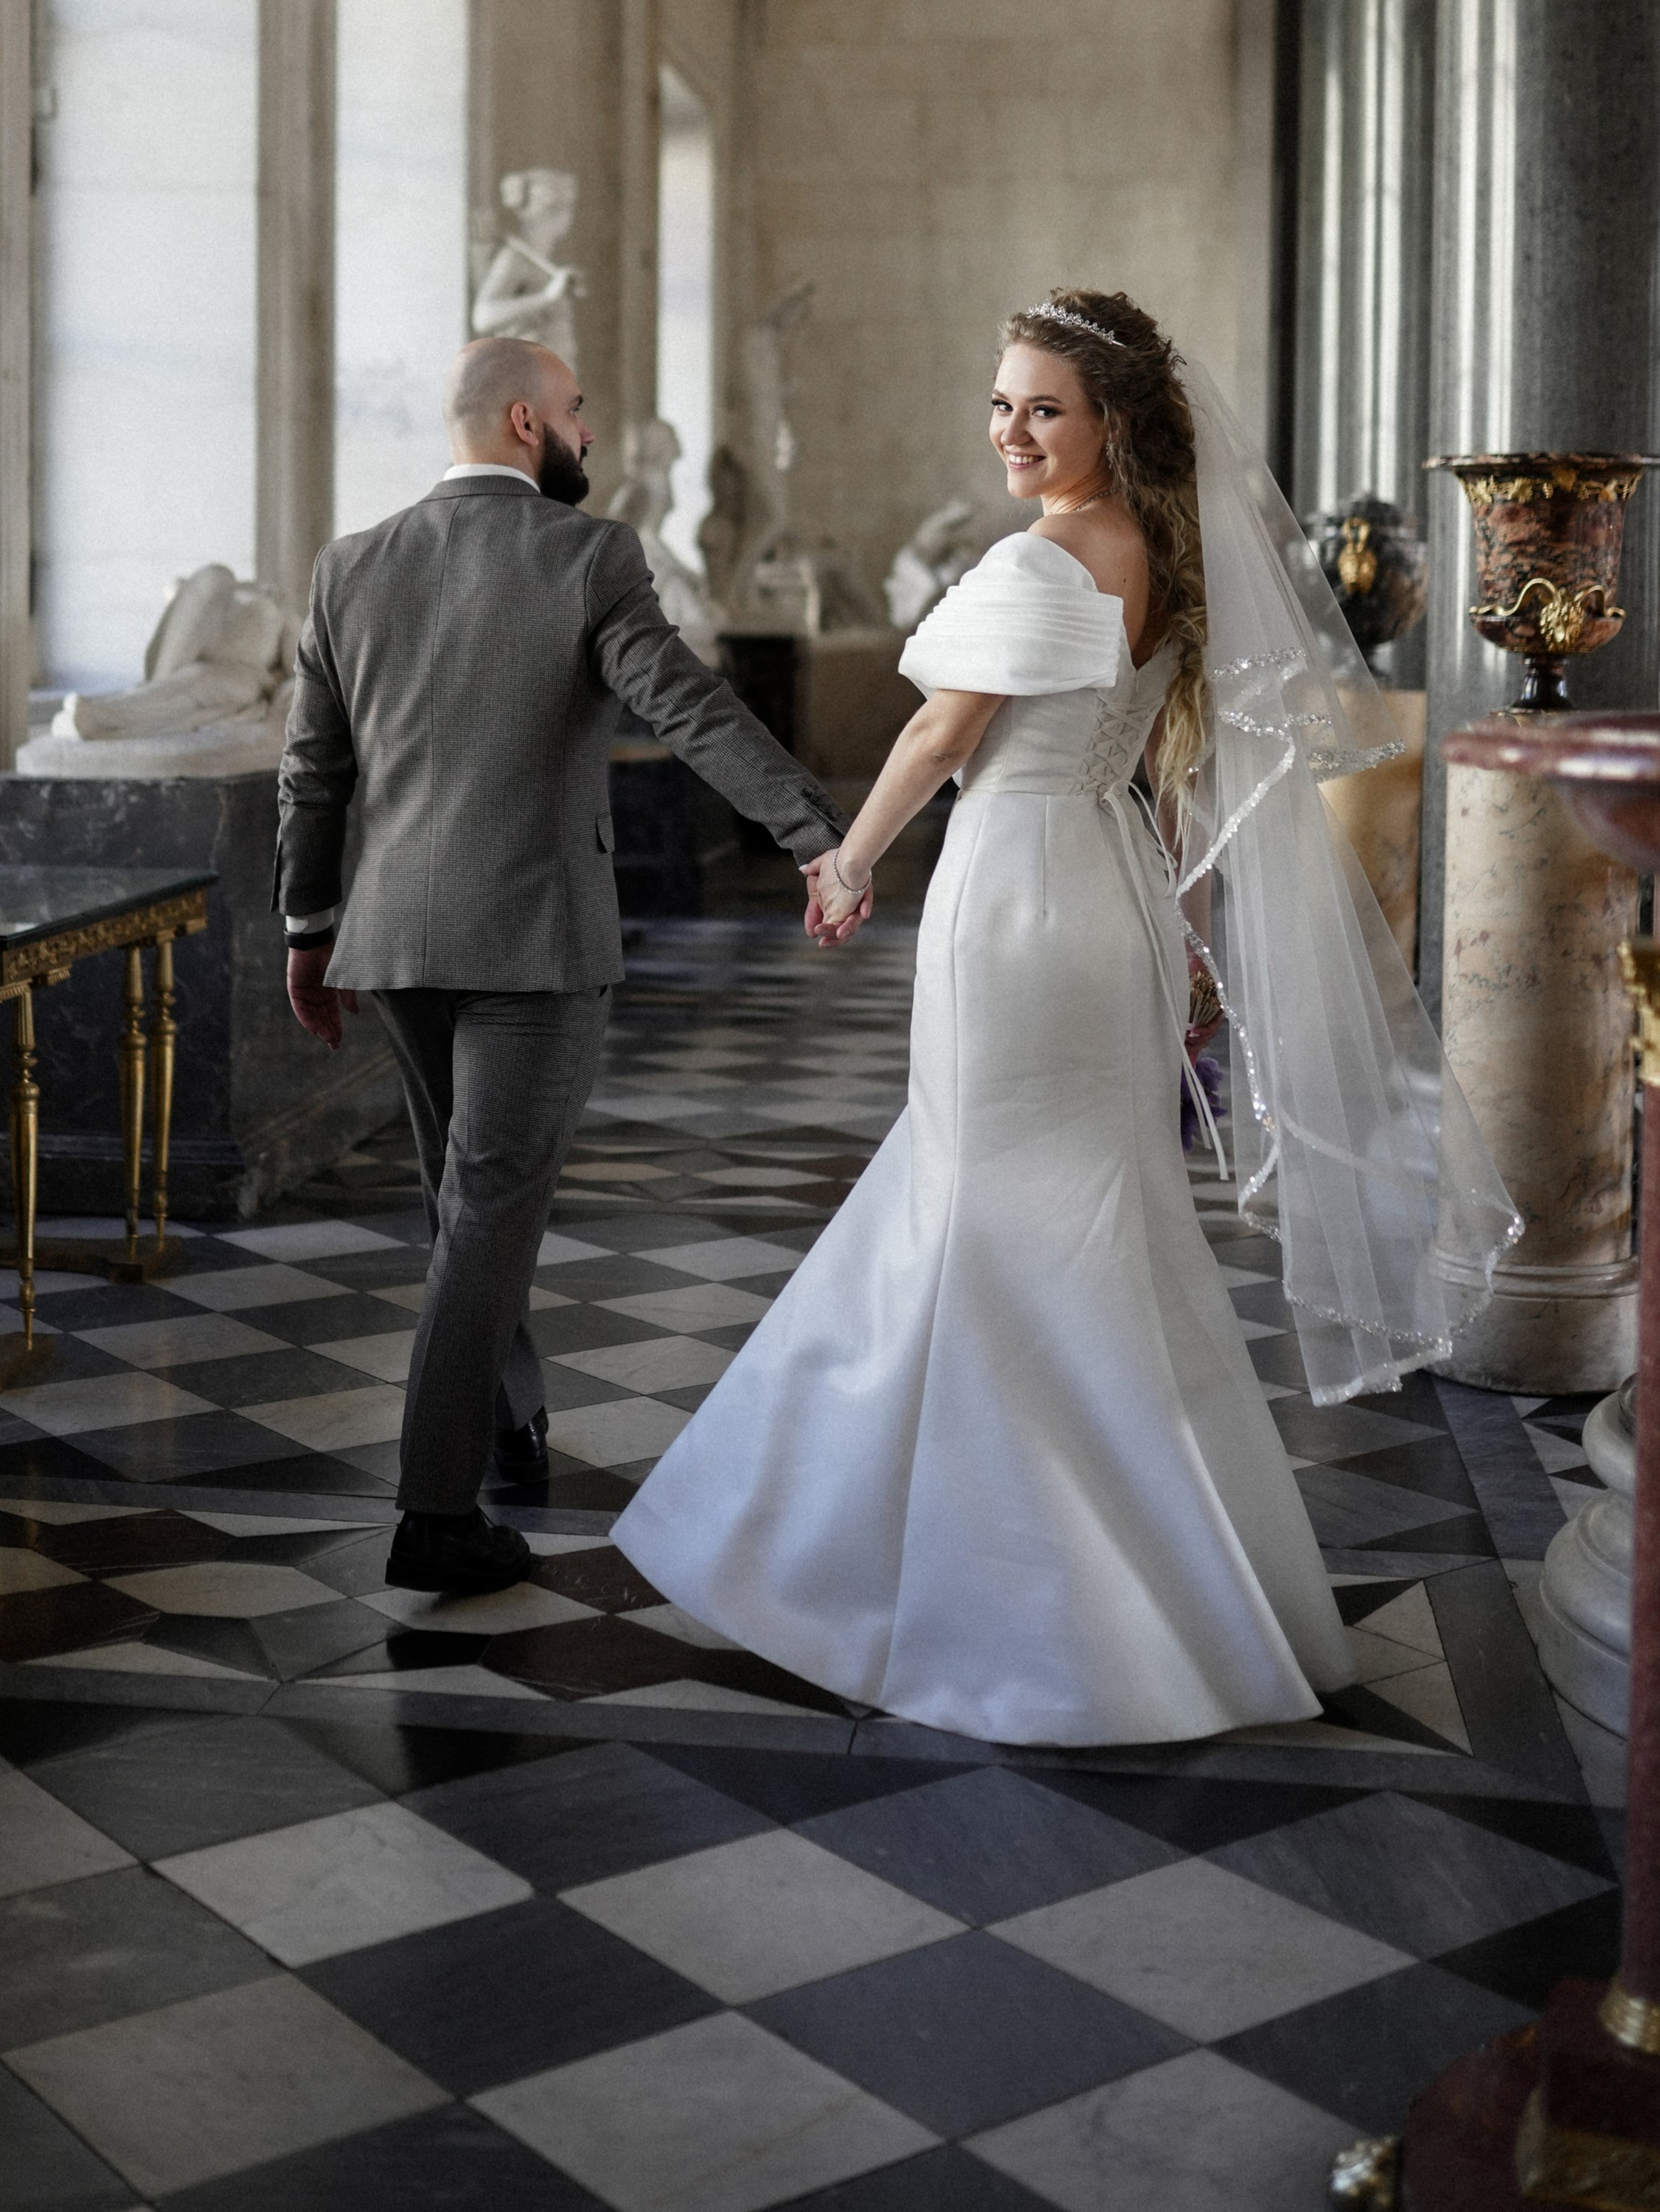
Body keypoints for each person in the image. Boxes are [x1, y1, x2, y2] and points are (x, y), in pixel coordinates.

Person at [613, 290, 1518, 1745]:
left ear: (1112, 422)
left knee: (987, 1206)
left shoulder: (1047, 558)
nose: (1013, 432)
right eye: (1001, 404)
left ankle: (977, 1600)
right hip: (1108, 895)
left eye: (1045, 408)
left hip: (1023, 903)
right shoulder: (1161, 554)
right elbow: (1168, 776)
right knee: (1098, 1218)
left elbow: (941, 731)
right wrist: (1189, 930)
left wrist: (848, 860)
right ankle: (1167, 1598)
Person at [276, 333, 847, 1599]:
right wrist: (818, 835)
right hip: (531, 937)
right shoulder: (589, 556)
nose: (590, 432)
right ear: (526, 423)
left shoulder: (349, 564)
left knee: (464, 1199)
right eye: (578, 411)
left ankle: (506, 1417)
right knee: (487, 1203)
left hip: (395, 937)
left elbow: (313, 772)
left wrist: (307, 930)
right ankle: (434, 1515)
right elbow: (686, 705)